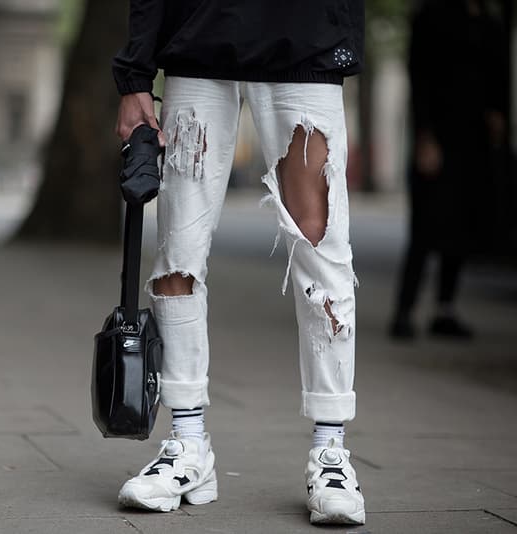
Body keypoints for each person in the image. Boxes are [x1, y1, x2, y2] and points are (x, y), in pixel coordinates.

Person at [112, 0, 366, 525]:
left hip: (305, 38)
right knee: (175, 261)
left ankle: (331, 452)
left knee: (323, 258)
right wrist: (136, 71)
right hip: (199, 41)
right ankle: (187, 445)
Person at [390, 0, 508, 340]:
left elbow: (498, 76)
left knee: (463, 223)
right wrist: (425, 136)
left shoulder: (490, 20)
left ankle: (445, 309)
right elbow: (420, 75)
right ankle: (404, 310)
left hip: (476, 141)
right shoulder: (433, 15)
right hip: (439, 136)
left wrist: (498, 116)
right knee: (426, 224)